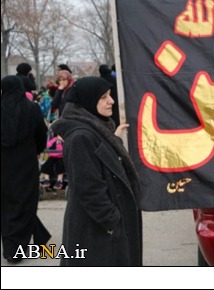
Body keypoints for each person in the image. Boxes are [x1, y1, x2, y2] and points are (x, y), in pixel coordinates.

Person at [51, 76, 142, 266]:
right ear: (88, 101)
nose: (111, 101)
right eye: (103, 97)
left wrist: (114, 140)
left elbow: (101, 162)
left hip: (101, 229)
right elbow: (88, 187)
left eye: (109, 95)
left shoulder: (95, 129)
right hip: (95, 232)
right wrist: (112, 221)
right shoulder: (81, 137)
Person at [1, 75, 51, 263]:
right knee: (25, 201)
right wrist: (35, 151)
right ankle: (17, 248)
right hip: (26, 162)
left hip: (3, 164)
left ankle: (13, 246)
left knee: (7, 203)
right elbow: (41, 135)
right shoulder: (32, 108)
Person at [39, 70, 75, 190]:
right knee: (53, 153)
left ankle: (62, 178)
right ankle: (48, 177)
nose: (62, 82)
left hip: (70, 123)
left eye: (64, 80)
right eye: (60, 80)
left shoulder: (72, 90)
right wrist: (59, 90)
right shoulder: (61, 91)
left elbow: (69, 106)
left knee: (65, 153)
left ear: (69, 80)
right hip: (61, 123)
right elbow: (54, 104)